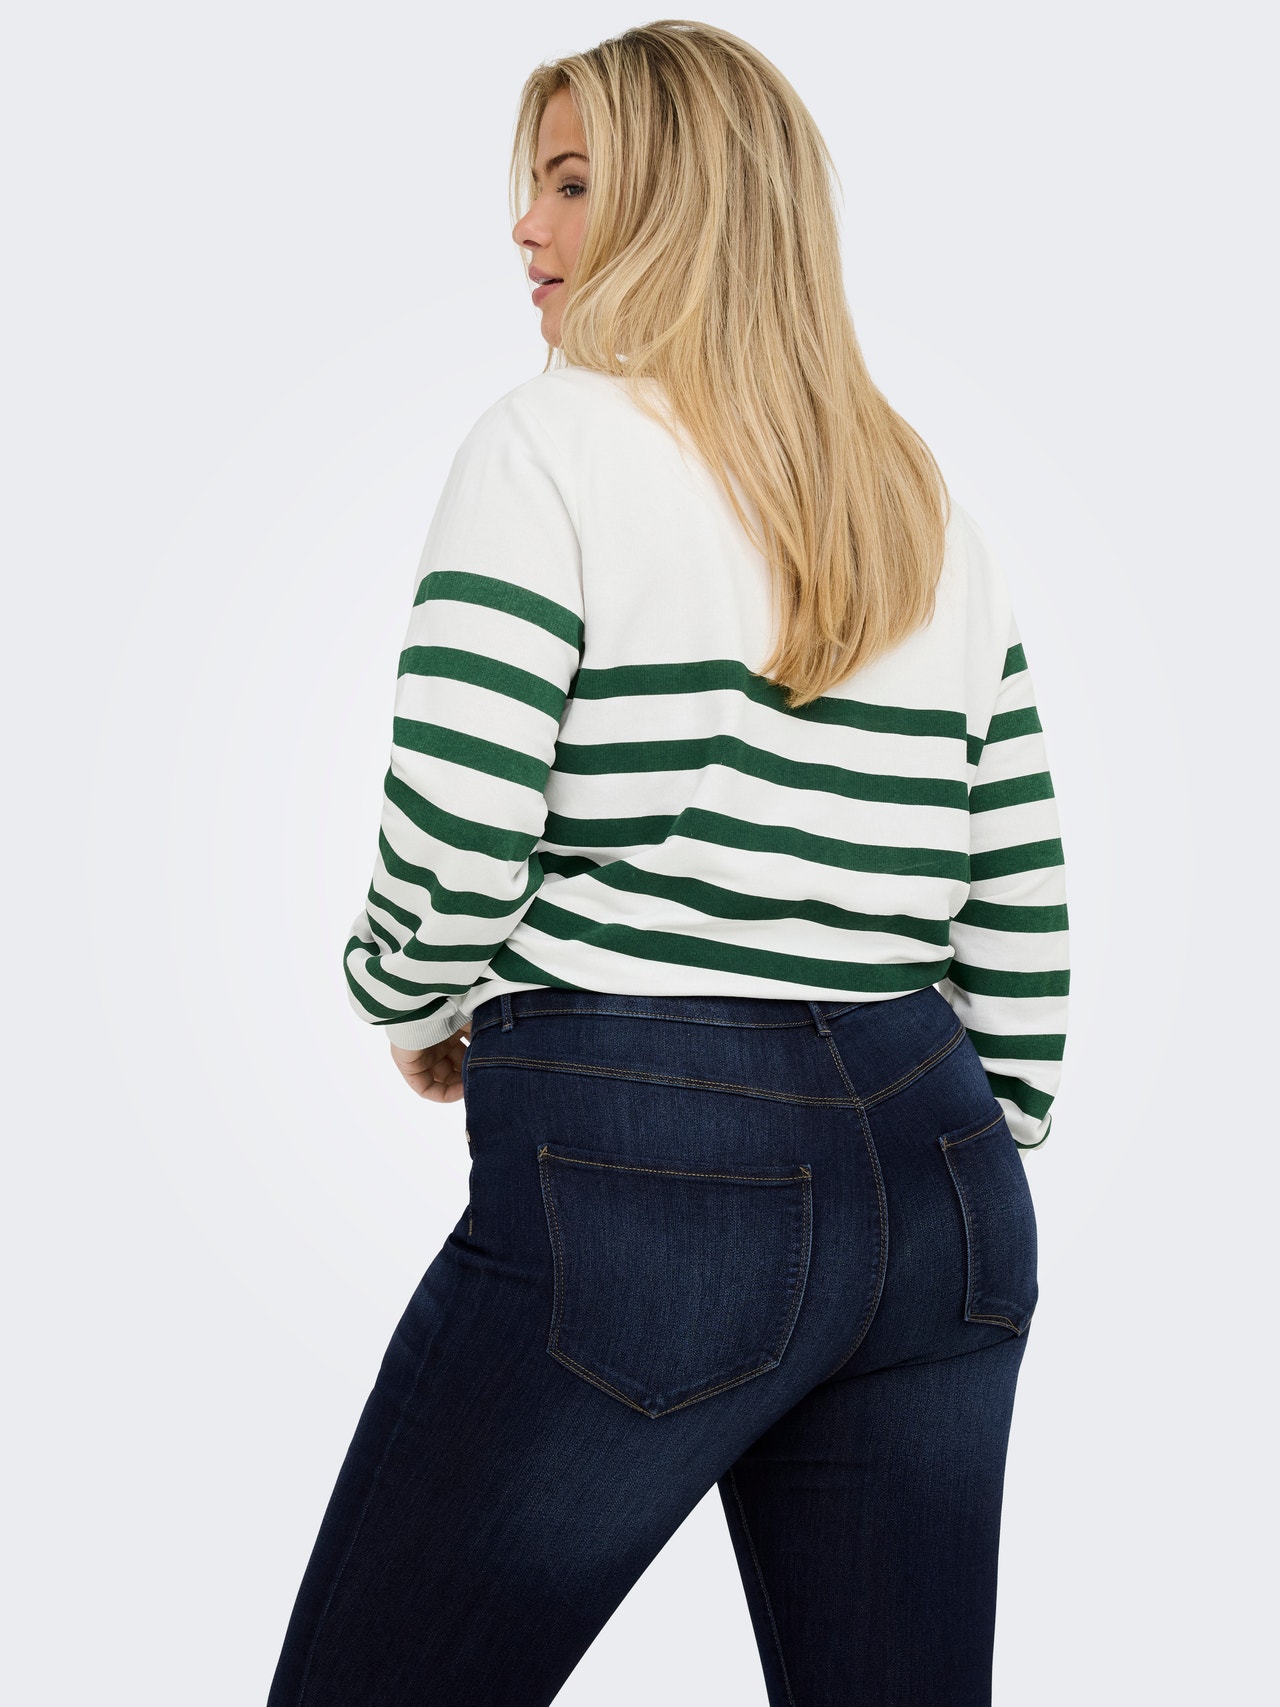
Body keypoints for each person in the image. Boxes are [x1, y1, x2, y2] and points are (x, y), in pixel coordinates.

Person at [266, 20, 1069, 1707]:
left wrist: (407, 999)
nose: (526, 228)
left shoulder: (548, 445)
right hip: (940, 1182)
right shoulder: (915, 496)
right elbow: (1017, 880)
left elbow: (459, 833)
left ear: (683, 208)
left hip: (649, 1164)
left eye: (571, 184)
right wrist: (976, 1134)